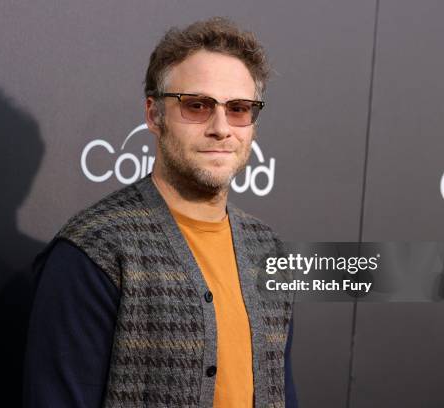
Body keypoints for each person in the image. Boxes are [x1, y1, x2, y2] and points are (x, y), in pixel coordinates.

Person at [23, 17, 296, 407]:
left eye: (239, 108)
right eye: (197, 106)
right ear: (154, 115)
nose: (221, 127)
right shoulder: (94, 250)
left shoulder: (268, 251)